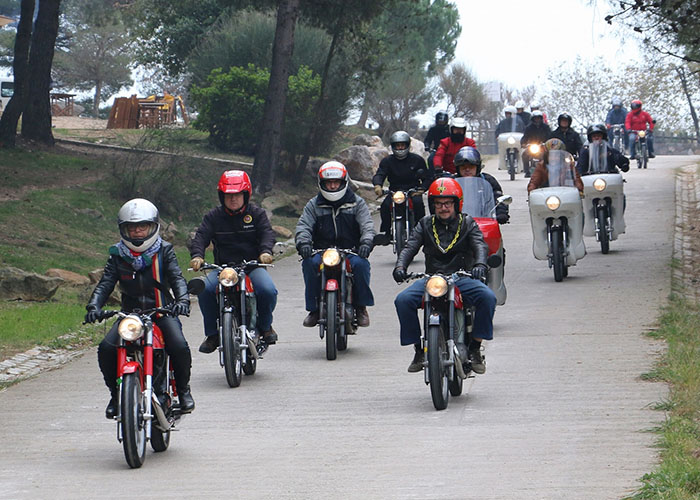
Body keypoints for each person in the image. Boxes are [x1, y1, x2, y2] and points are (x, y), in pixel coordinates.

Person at [85, 198, 195, 418]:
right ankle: (116, 396)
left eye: (141, 226)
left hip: (162, 311)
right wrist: (93, 306)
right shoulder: (117, 254)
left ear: (152, 227)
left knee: (179, 346)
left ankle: (183, 391)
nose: (136, 232)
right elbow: (106, 283)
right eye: (131, 227)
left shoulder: (165, 250)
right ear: (123, 229)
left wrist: (182, 300)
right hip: (130, 316)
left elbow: (177, 278)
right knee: (106, 349)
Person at [392, 177, 496, 374]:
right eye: (438, 204)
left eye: (448, 203)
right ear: (432, 206)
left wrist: (481, 264)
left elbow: (479, 245)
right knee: (402, 300)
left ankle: (474, 348)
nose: (443, 208)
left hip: (462, 278)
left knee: (488, 298)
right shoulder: (424, 224)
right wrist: (400, 266)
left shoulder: (467, 223)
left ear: (457, 204)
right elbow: (410, 246)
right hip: (433, 279)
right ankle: (419, 350)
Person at [189, 170, 278, 353]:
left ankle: (265, 327)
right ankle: (213, 335)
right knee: (205, 290)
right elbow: (200, 237)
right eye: (229, 195)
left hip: (252, 267)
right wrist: (197, 256)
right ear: (222, 196)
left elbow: (267, 234)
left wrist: (266, 252)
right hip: (223, 269)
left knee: (268, 290)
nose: (233, 199)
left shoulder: (257, 214)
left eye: (237, 194)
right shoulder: (213, 217)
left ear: (246, 195)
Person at [295, 161, 375, 328]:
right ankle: (314, 309)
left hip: (351, 251)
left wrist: (366, 242)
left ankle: (361, 307)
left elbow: (367, 225)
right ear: (321, 184)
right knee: (309, 264)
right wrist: (303, 243)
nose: (332, 186)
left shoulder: (357, 203)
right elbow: (304, 226)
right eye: (328, 183)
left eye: (335, 182)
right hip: (321, 251)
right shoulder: (313, 205)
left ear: (343, 182)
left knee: (361, 266)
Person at [373, 130, 431, 245]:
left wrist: (422, 189)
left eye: (402, 145)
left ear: (407, 145)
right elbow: (380, 174)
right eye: (397, 145)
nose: (400, 148)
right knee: (385, 206)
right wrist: (378, 185)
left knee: (418, 204)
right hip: (394, 190)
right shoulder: (387, 161)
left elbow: (427, 177)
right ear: (393, 146)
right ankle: (387, 233)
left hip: (413, 190)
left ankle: (421, 230)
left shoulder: (417, 160)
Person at [453, 146, 509, 224]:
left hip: (484, 222)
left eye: (471, 166)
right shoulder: (451, 183)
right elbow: (442, 202)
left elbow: (498, 198)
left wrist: (501, 212)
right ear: (457, 168)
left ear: (478, 167)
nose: (467, 169)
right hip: (456, 224)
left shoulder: (488, 180)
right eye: (463, 167)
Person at [520, 110, 551, 177]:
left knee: (549, 156)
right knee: (524, 155)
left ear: (541, 119)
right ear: (532, 119)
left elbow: (550, 136)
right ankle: (527, 171)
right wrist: (523, 143)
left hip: (543, 146)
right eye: (535, 118)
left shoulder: (546, 127)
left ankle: (548, 170)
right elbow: (525, 136)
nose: (537, 120)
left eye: (538, 118)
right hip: (532, 146)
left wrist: (548, 143)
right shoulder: (529, 127)